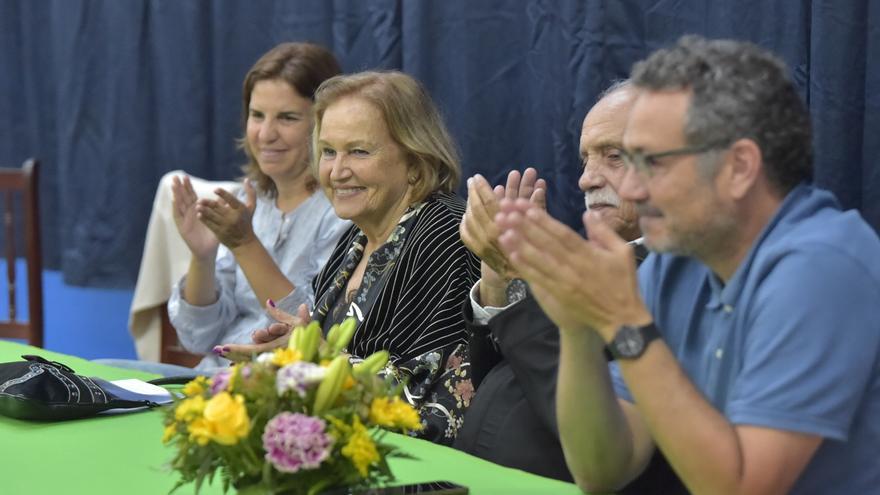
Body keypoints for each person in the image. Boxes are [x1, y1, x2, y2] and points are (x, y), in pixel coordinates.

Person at [495, 35, 880, 494]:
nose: (632, 191)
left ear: (739, 167)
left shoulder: (822, 267)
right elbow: (601, 472)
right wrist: (578, 328)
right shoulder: (674, 264)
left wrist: (622, 321)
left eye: (652, 163)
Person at [220, 71, 481, 445]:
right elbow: (336, 357)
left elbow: (428, 399)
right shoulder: (357, 237)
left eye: (359, 151)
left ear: (414, 157)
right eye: (328, 151)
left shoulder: (445, 233)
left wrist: (313, 362)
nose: (337, 172)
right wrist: (293, 349)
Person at [454, 83, 683, 493]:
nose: (585, 180)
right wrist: (498, 284)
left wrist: (525, 275)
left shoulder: (686, 278)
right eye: (585, 160)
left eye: (613, 156)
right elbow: (502, 376)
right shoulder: (592, 262)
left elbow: (572, 409)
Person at [158, 42, 349, 375]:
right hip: (211, 377)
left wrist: (244, 242)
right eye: (257, 115)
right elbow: (197, 336)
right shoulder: (248, 199)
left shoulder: (343, 213)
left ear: (324, 125)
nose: (265, 134)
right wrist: (202, 257)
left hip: (280, 389)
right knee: (99, 376)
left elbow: (314, 333)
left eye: (287, 118)